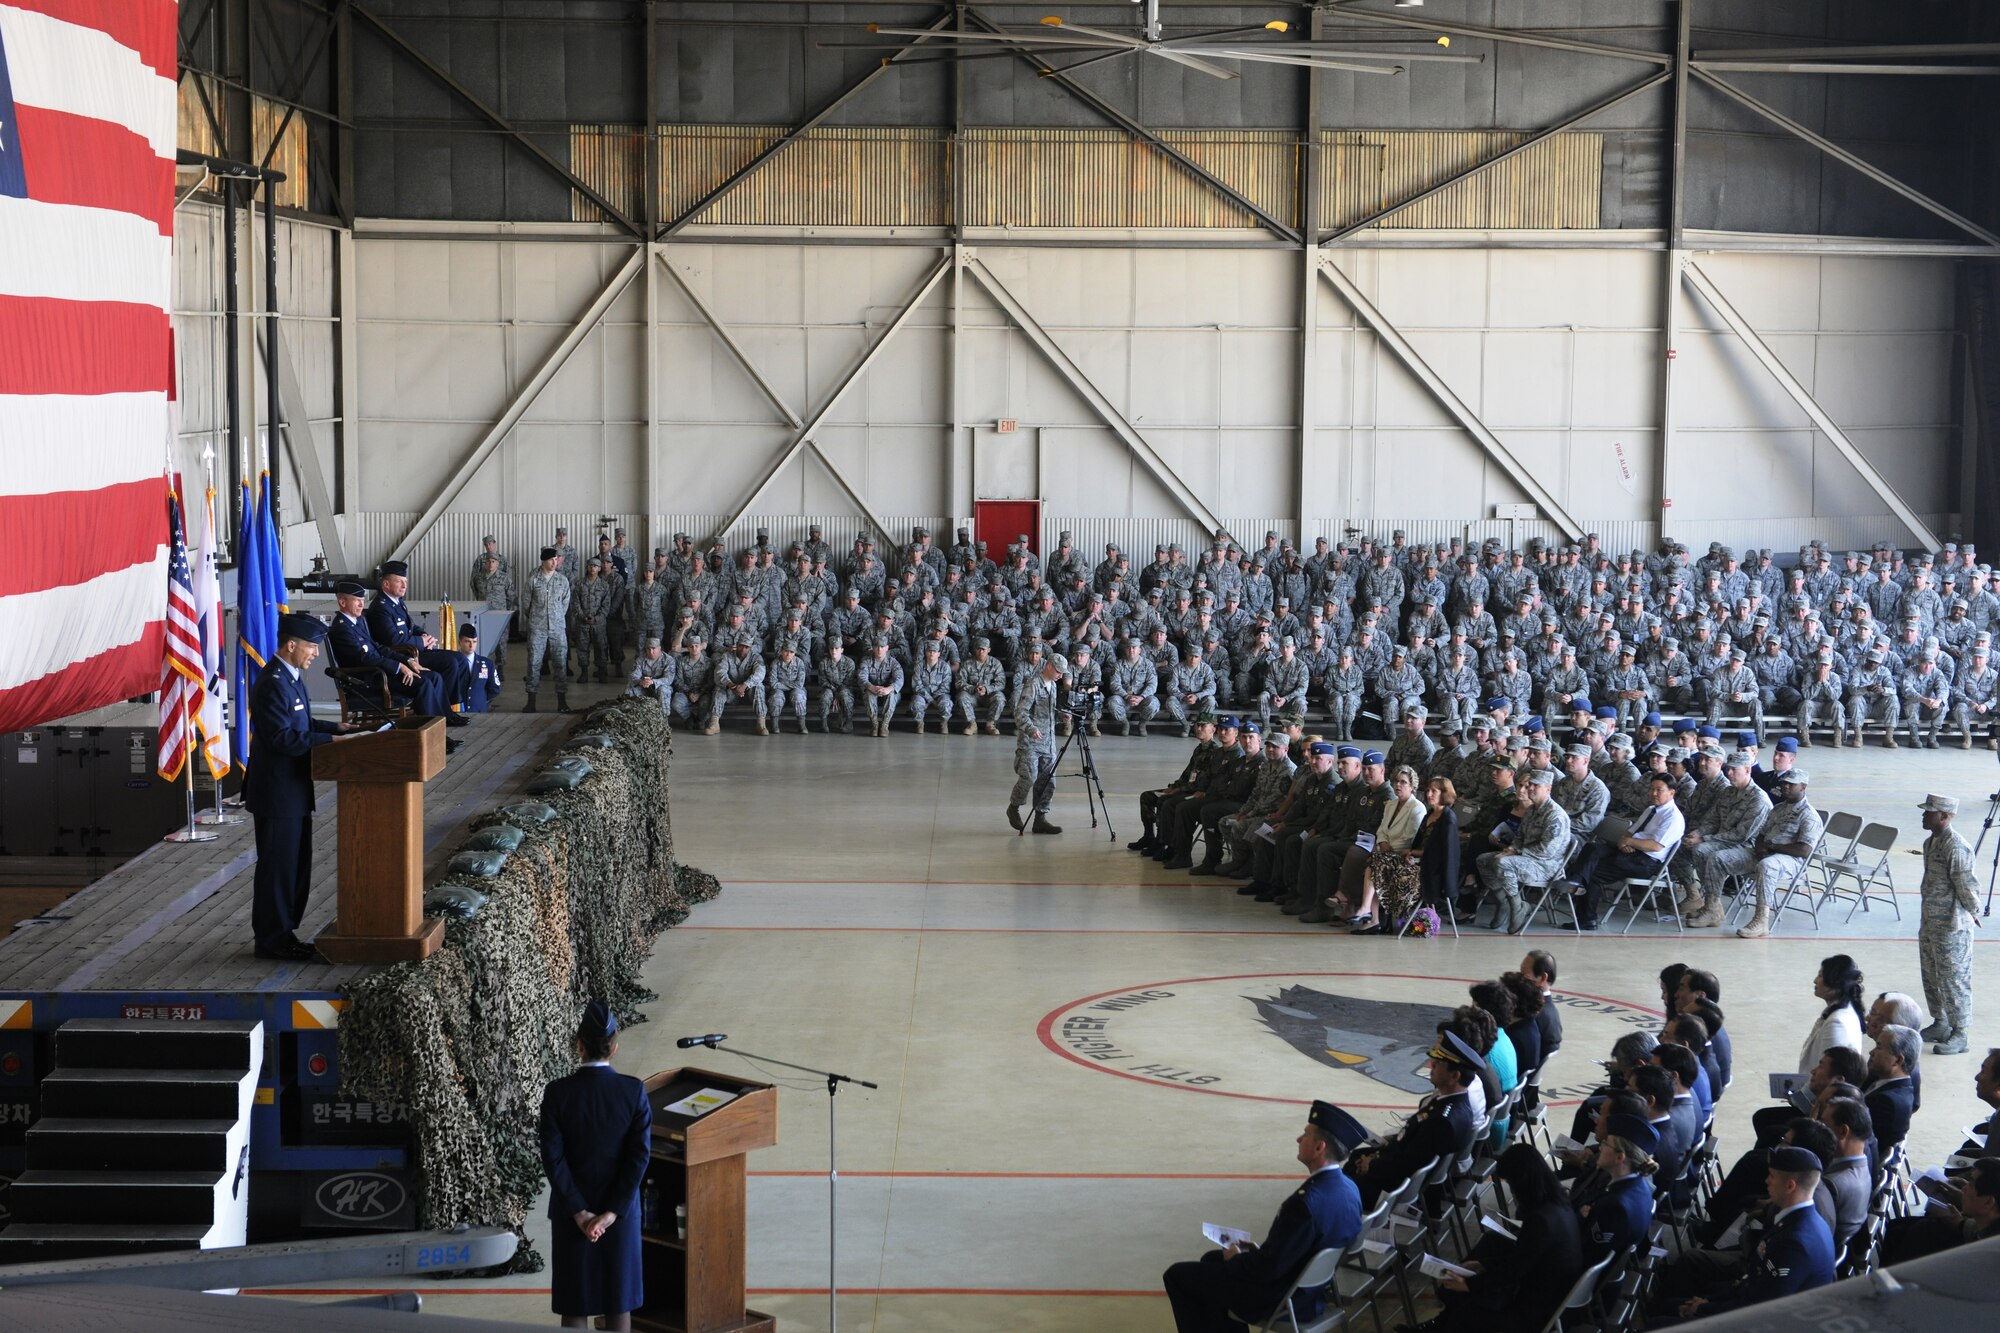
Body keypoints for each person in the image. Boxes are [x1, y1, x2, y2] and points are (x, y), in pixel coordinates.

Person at [1161, 1101, 1365, 1333]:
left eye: (1306, 1135)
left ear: (1319, 1147)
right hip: (1310, 1290)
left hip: (1280, 1297)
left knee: (1177, 1276)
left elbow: (1268, 1269)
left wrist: (1239, 1258)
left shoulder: (1305, 1202)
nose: (1299, 1139)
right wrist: (1257, 1252)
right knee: (1211, 1260)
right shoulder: (1349, 1188)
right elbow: (1294, 1250)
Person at [247, 614, 355, 960]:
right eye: (311, 647)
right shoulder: (272, 682)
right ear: (291, 645)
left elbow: (302, 722)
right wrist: (329, 742)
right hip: (276, 792)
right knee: (278, 868)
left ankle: (285, 932)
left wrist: (336, 728)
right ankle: (271, 939)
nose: (315, 654)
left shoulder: (291, 678)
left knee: (295, 865)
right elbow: (282, 737)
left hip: (293, 789)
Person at [538, 1001, 651, 1332]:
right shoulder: (632, 1091)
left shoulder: (557, 1094)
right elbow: (638, 1157)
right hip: (620, 1215)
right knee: (618, 1304)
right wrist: (612, 1212)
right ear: (615, 1047)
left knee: (576, 1302)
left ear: (579, 1045)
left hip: (571, 1216)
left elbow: (553, 1158)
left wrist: (579, 1212)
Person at [1407, 1144, 1584, 1333]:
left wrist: (1469, 1284)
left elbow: (1513, 1271)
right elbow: (1523, 1258)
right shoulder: (1558, 1205)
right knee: (1481, 1276)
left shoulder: (1540, 1221)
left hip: (1534, 1311)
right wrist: (1484, 1265)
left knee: (1468, 1308)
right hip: (1547, 1295)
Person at [1671, 1146, 1835, 1322]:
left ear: (1790, 1185)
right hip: (1747, 1298)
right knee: (1674, 1304)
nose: (1766, 1181)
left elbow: (1760, 1308)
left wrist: (1704, 1308)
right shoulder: (1799, 1219)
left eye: (1772, 1176)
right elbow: (1753, 1281)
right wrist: (1707, 1302)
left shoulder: (1795, 1243)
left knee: (1659, 1322)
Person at [1573, 770, 1685, 930]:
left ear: (1671, 792)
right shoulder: (1650, 809)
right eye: (1651, 789)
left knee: (1593, 874)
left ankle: (1587, 919)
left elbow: (1655, 846)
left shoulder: (1673, 817)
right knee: (1593, 847)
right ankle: (1576, 880)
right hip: (1631, 850)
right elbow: (1630, 831)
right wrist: (1624, 842)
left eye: (1658, 790)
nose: (1653, 793)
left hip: (1646, 861)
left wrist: (1629, 841)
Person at [1916, 792, 1980, 1054]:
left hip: (1952, 925)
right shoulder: (1931, 842)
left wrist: (1974, 910)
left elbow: (1966, 884)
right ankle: (1940, 1022)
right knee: (1931, 975)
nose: (1923, 814)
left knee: (1954, 979)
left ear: (1943, 816)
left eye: (1928, 811)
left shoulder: (1956, 846)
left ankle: (1960, 1032)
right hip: (1931, 921)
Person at [1354, 775, 1455, 932]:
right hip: (1417, 861)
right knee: (1376, 861)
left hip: (1431, 870)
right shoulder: (1430, 815)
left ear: (1445, 793)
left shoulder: (1448, 819)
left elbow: (1440, 853)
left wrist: (1413, 853)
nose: (1429, 794)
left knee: (1379, 865)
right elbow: (1420, 843)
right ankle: (1372, 916)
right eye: (1428, 790)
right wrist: (1411, 855)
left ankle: (1374, 917)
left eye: (1433, 791)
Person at [1009, 657, 1064, 835]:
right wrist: (1030, 729)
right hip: (1030, 742)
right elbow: (1020, 712)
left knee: (1048, 781)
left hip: (1048, 743)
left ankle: (1040, 819)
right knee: (1029, 778)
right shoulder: (1033, 684)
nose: (1060, 675)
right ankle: (1014, 807)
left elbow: (1049, 712)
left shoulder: (1053, 686)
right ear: (1048, 666)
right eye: (1058, 671)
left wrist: (1063, 715)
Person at [524, 546, 573, 713]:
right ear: (544, 561)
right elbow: (526, 605)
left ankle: (562, 701)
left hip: (557, 629)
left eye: (556, 559)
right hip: (537, 628)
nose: (555, 562)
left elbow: (565, 603)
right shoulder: (533, 580)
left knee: (560, 663)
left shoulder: (562, 580)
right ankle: (531, 701)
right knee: (534, 663)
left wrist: (556, 617)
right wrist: (537, 619)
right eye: (551, 559)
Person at [455, 623, 502, 714]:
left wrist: (480, 698)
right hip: (457, 712)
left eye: (474, 641)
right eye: (467, 641)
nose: (471, 645)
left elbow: (495, 689)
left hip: (479, 712)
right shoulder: (452, 663)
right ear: (459, 642)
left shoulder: (487, 664)